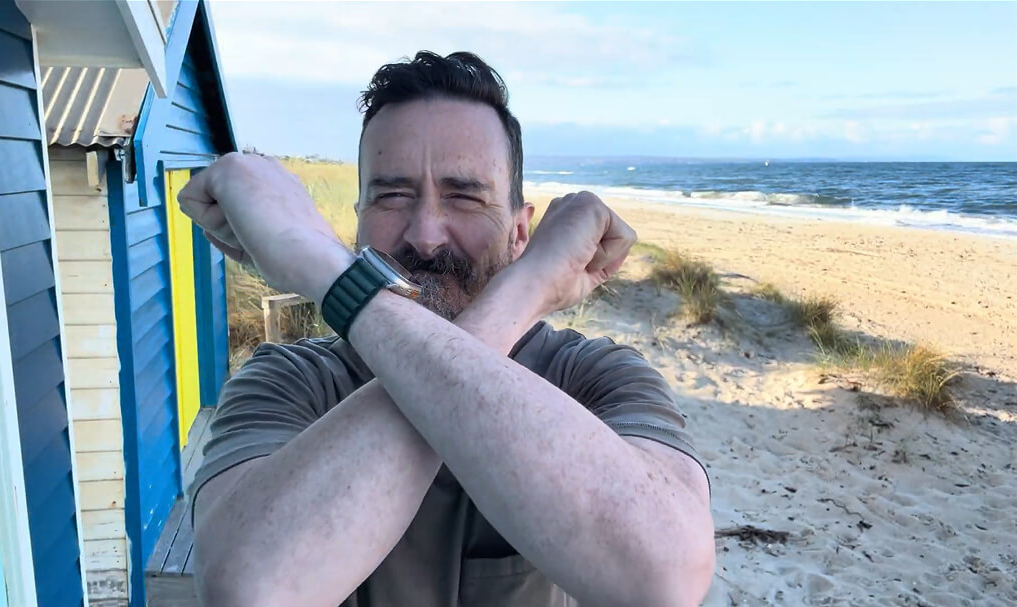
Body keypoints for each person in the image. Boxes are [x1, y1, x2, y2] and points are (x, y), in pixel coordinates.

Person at [180, 51, 714, 607]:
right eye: (391, 196)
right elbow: (252, 589)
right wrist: (523, 291)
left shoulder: (594, 376)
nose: (426, 236)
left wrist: (340, 280)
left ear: (519, 232)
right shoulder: (291, 380)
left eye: (464, 195)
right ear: (358, 218)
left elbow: (665, 578)